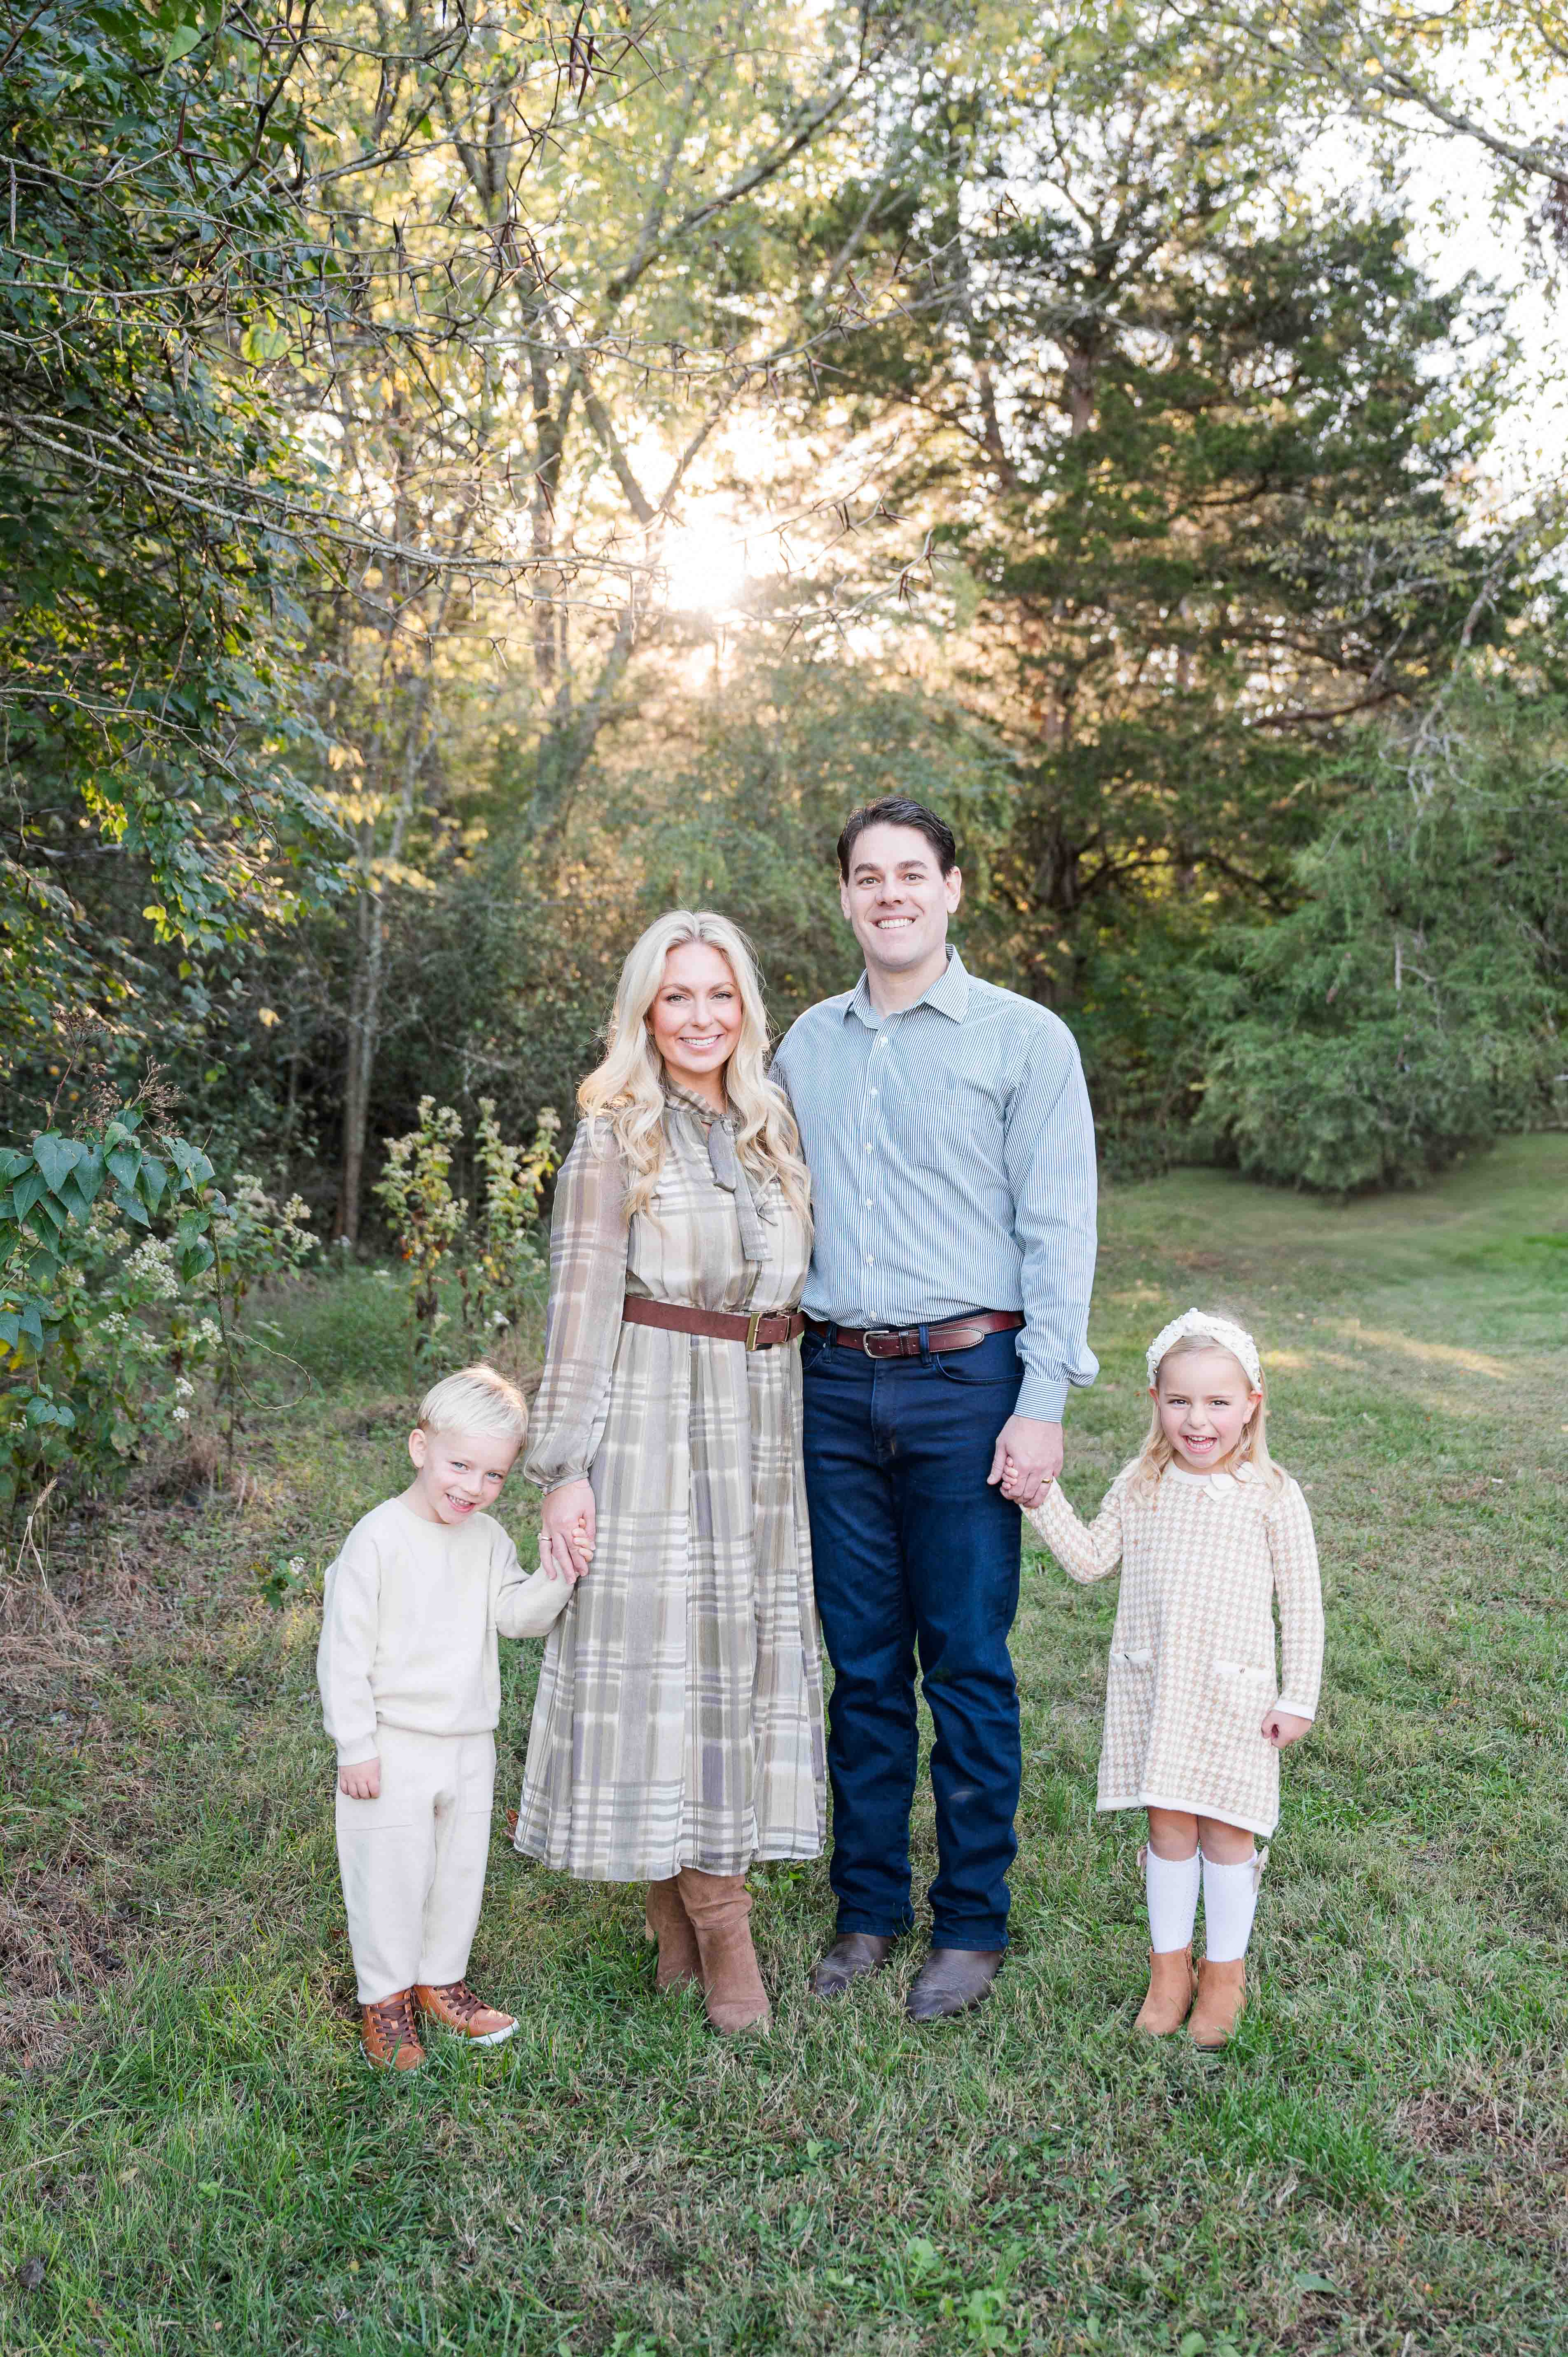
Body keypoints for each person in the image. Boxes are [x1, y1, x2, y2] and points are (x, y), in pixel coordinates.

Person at [771, 795, 1098, 2021]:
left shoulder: (1024, 1040)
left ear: (954, 889)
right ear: (846, 898)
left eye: (914, 873)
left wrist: (1043, 1398)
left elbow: (1060, 1227)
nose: (891, 893)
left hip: (972, 1379)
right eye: (869, 876)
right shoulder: (803, 1044)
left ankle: (970, 1921)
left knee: (965, 1661)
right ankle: (868, 1909)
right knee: (861, 1664)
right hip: (838, 1379)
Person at [514, 910, 824, 2037]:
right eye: (678, 996)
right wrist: (564, 1467)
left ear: (747, 1007)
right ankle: (719, 1920)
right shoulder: (615, 1138)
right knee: (661, 1663)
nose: (701, 1016)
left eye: (721, 994)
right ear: (646, 1011)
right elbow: (580, 1308)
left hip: (762, 1421)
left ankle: (677, 1928)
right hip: (652, 1416)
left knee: (732, 1659)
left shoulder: (768, 1127)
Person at [1026, 1309, 1324, 2048]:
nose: (1199, 1420)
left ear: (1251, 1404)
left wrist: (1299, 1695)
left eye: (1218, 1402)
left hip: (1237, 1692)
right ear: (1154, 1400)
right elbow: (1092, 1560)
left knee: (1226, 1829)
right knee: (1167, 1827)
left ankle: (1225, 1972)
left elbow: (1305, 1604)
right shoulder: (1141, 1483)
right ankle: (1170, 1970)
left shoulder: (1271, 1493)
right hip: (1157, 1687)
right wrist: (1040, 1496)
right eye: (1180, 1400)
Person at [317, 1365, 575, 2072]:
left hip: (469, 1740)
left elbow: (515, 1615)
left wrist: (558, 1573)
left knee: (458, 1871)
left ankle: (441, 1980)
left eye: (493, 1475)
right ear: (418, 1447)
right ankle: (386, 2001)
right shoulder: (378, 1538)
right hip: (393, 1745)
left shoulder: (487, 1538)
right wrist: (356, 1746)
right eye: (460, 1464)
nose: (472, 1487)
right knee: (390, 1874)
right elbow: (343, 1653)